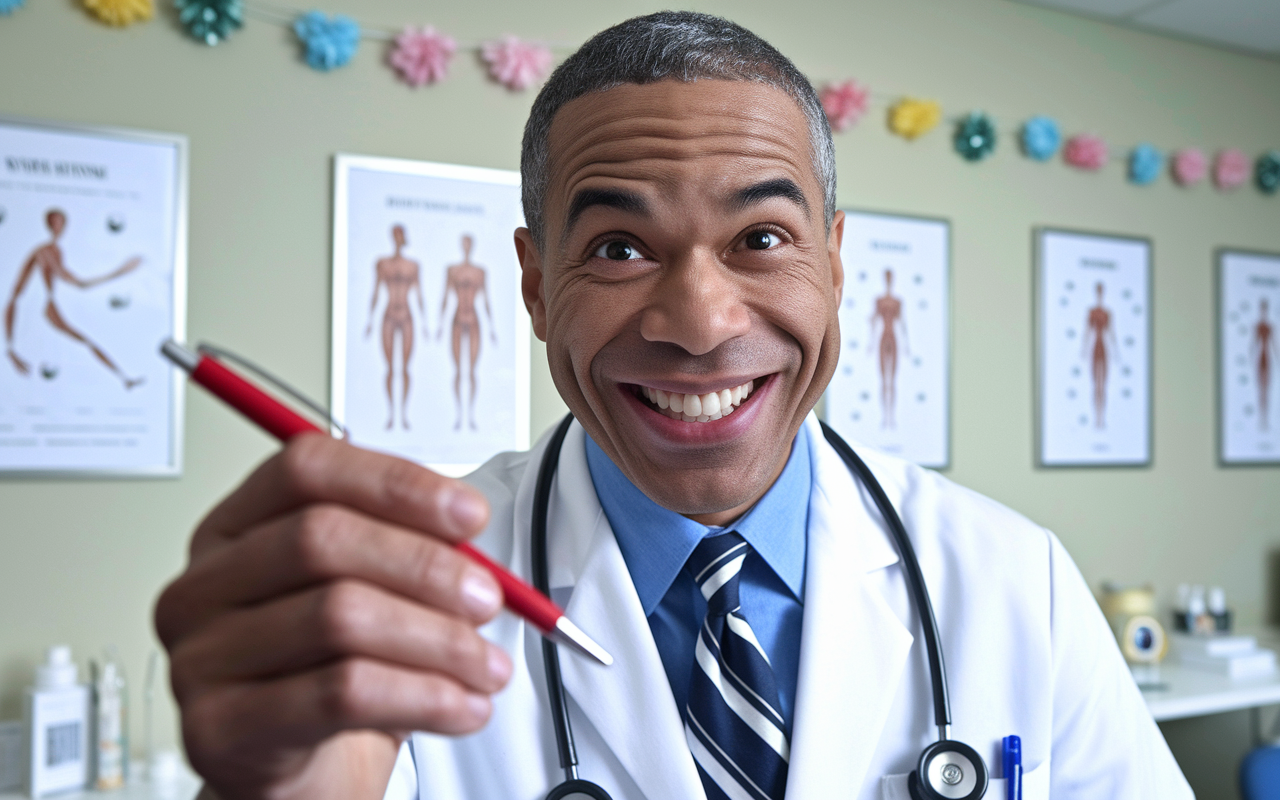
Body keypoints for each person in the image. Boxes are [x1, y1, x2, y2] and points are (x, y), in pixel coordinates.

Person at [154, 13, 1191, 800]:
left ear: (834, 263)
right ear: (532, 283)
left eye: (761, 238)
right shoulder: (402, 612)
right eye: (618, 246)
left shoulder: (1014, 582)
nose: (697, 322)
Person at [4, 208, 143, 389]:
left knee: (85, 342)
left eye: (61, 222)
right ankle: (124, 379)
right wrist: (120, 272)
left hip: (49, 307)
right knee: (83, 343)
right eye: (55, 222)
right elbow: (75, 282)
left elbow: (75, 282)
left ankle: (124, 379)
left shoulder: (55, 250)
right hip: (41, 310)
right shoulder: (44, 251)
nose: (59, 227)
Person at [364, 224, 424, 430]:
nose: (399, 237)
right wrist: (370, 321)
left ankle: (404, 414)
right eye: (396, 234)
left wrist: (425, 323)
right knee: (390, 368)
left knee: (405, 368)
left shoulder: (413, 266)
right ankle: (391, 413)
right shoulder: (382, 264)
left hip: (407, 316)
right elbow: (375, 291)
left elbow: (418, 294)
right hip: (388, 315)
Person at [436, 234, 496, 431]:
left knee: (470, 371)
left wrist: (492, 327)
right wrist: (439, 325)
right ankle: (458, 413)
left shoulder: (480, 272)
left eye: (469, 243)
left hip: (473, 321)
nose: (466, 246)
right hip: (456, 320)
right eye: (464, 243)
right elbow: (445, 297)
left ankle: (469, 414)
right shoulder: (452, 271)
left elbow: (486, 299)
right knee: (457, 371)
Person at [867, 268, 908, 428]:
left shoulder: (898, 302)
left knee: (893, 381)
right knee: (884, 380)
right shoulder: (879, 301)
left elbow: (903, 324)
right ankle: (885, 417)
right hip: (883, 338)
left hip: (893, 338)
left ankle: (892, 417)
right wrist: (870, 343)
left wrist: (907, 346)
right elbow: (874, 321)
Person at [1081, 281, 1119, 429]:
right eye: (1098, 291)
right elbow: (1087, 332)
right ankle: (1096, 418)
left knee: (1103, 384)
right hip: (1094, 348)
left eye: (1101, 291)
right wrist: (1083, 350)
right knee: (1095, 384)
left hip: (1104, 349)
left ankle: (1102, 419)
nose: (1099, 294)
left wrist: (1116, 353)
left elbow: (1111, 333)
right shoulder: (1091, 312)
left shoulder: (1107, 313)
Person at [1252, 298, 1277, 431]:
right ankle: (1261, 419)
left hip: (1267, 359)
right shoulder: (1258, 326)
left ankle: (1265, 419)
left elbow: (1273, 345)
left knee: (1266, 389)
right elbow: (1254, 344)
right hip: (1259, 359)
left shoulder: (1269, 327)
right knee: (1260, 389)